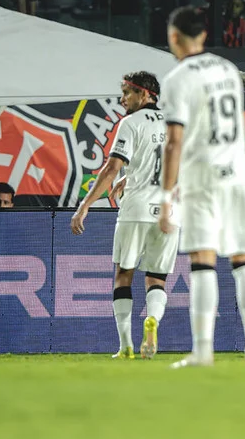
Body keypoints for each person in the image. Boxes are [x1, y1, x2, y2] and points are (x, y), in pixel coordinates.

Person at [158, 5, 245, 368]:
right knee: (243, 259)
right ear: (203, 35)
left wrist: (166, 196)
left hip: (202, 176)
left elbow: (174, 141)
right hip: (238, 172)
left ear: (174, 37)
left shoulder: (177, 78)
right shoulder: (227, 69)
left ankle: (203, 352)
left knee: (203, 261)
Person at [71, 71, 180, 360]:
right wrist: (130, 176)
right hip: (169, 212)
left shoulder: (130, 123)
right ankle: (152, 319)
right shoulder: (175, 123)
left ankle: (126, 346)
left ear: (144, 94)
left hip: (136, 209)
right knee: (156, 279)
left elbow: (112, 167)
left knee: (123, 275)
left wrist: (85, 205)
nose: (122, 99)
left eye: (127, 93)